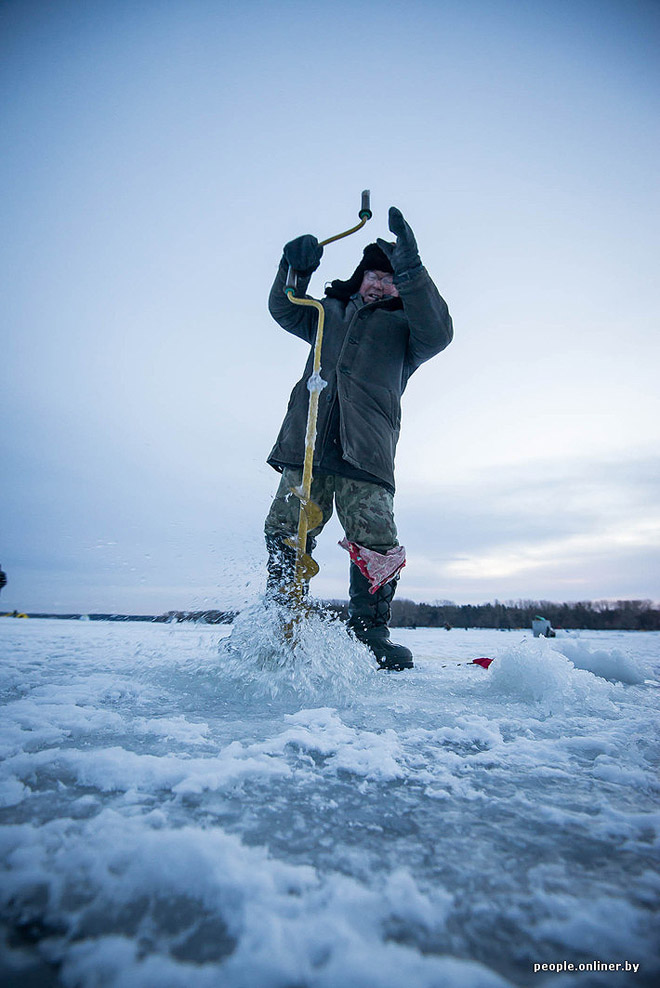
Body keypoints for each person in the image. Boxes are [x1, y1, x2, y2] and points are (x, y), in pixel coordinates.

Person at [264, 206, 453, 669]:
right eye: (373, 273)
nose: (378, 284)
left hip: (364, 452)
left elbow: (441, 330)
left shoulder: (408, 330)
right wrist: (294, 268)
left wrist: (411, 269)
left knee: (377, 541)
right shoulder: (327, 312)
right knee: (288, 530)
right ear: (360, 275)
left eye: (390, 278)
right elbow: (285, 307)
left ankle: (369, 634)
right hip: (306, 443)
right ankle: (279, 624)